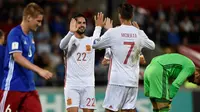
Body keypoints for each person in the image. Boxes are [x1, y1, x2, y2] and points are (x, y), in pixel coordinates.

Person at [92, 3, 155, 112]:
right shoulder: (139, 33)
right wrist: (140, 32)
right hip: (133, 81)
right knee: (128, 110)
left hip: (117, 81)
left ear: (119, 16)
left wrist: (98, 27)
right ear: (132, 16)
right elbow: (152, 46)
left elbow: (94, 44)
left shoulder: (113, 32)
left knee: (110, 110)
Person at [0, 3, 53, 112]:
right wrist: (39, 70)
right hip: (13, 87)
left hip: (29, 88)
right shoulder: (15, 33)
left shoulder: (30, 35)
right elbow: (17, 57)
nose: (40, 24)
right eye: (38, 21)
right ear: (29, 18)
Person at [59, 13, 109, 112]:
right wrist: (70, 32)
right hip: (72, 84)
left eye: (84, 23)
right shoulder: (70, 40)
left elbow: (97, 39)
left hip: (88, 85)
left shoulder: (90, 41)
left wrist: (98, 27)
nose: (82, 25)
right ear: (74, 24)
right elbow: (61, 46)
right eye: (79, 23)